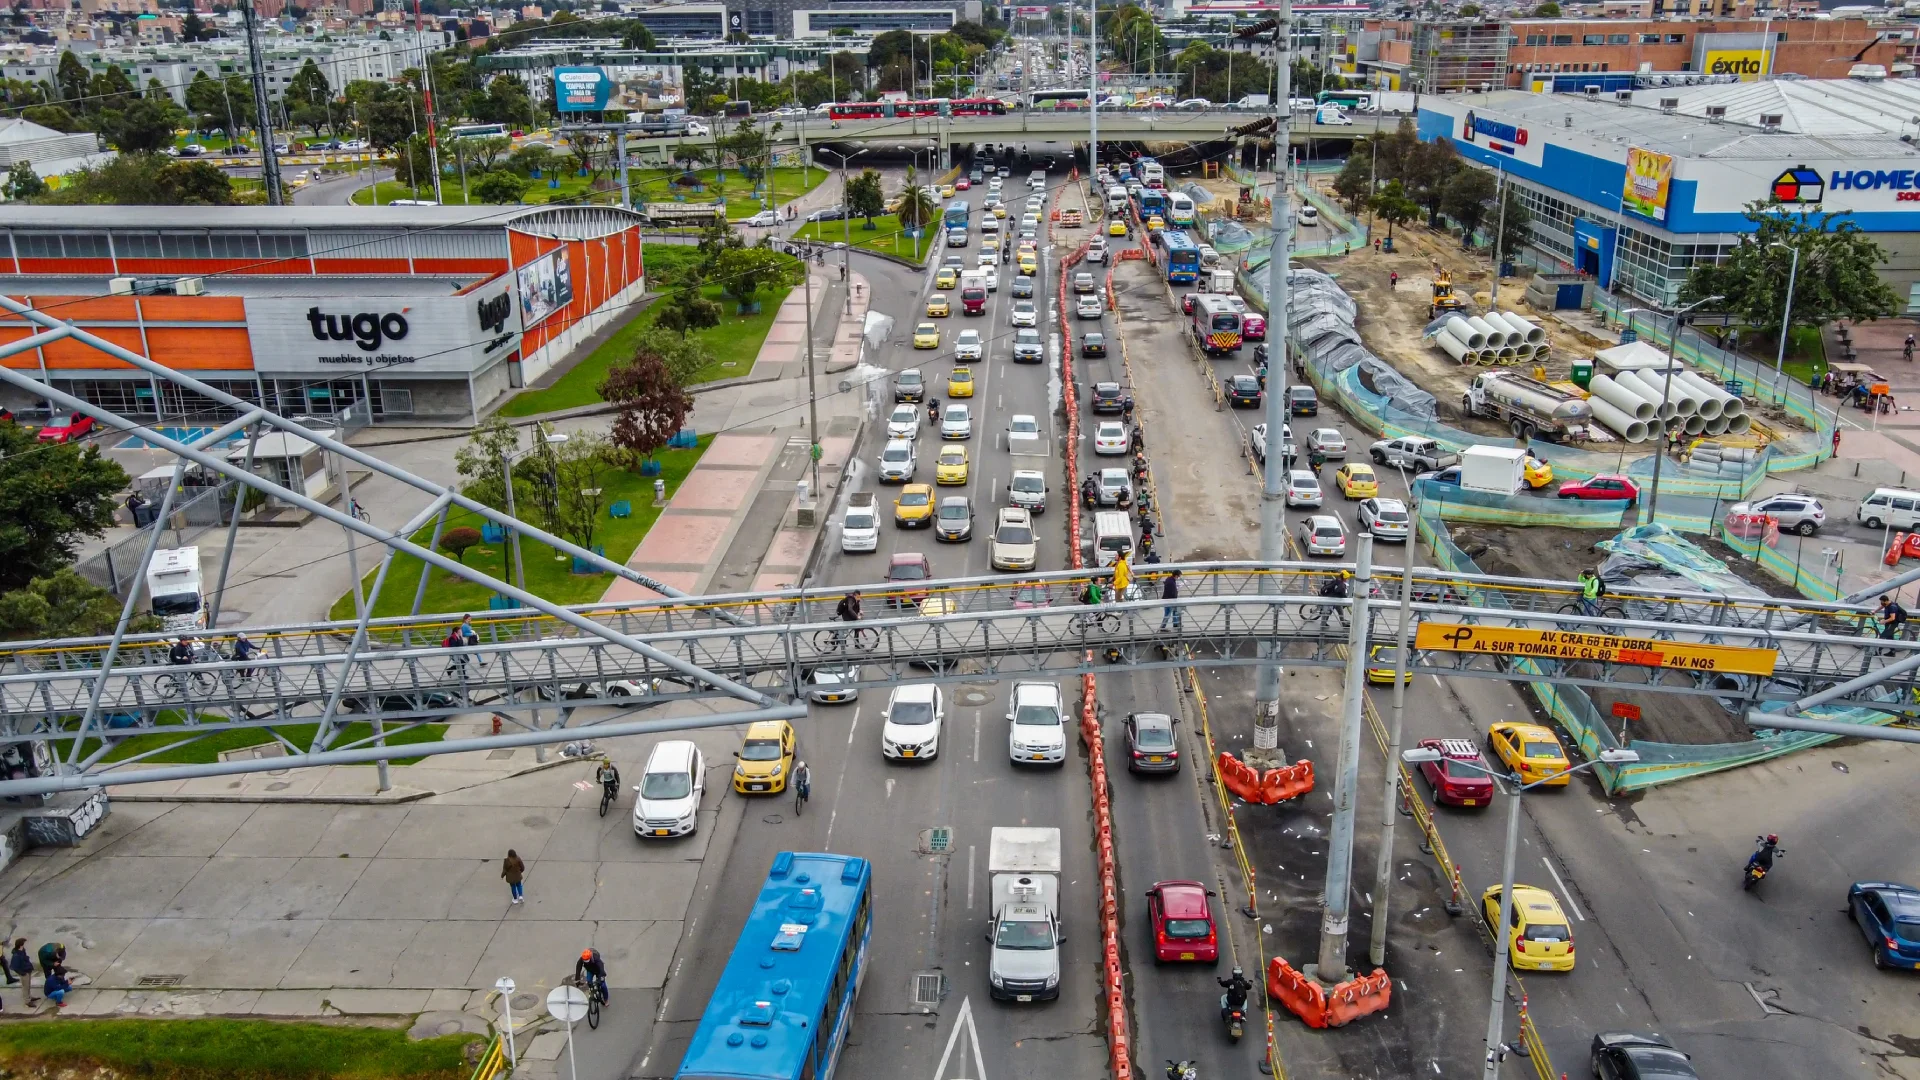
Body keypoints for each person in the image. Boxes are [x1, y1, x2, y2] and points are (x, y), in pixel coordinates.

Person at [8, 940, 32, 1007]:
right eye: (24, 943)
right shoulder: (16, 955)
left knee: (28, 985)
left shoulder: (22, 951)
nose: (25, 945)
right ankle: (27, 1001)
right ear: (21, 945)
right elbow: (14, 967)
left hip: (28, 970)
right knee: (25, 987)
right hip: (24, 972)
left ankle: (29, 997)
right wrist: (22, 973)